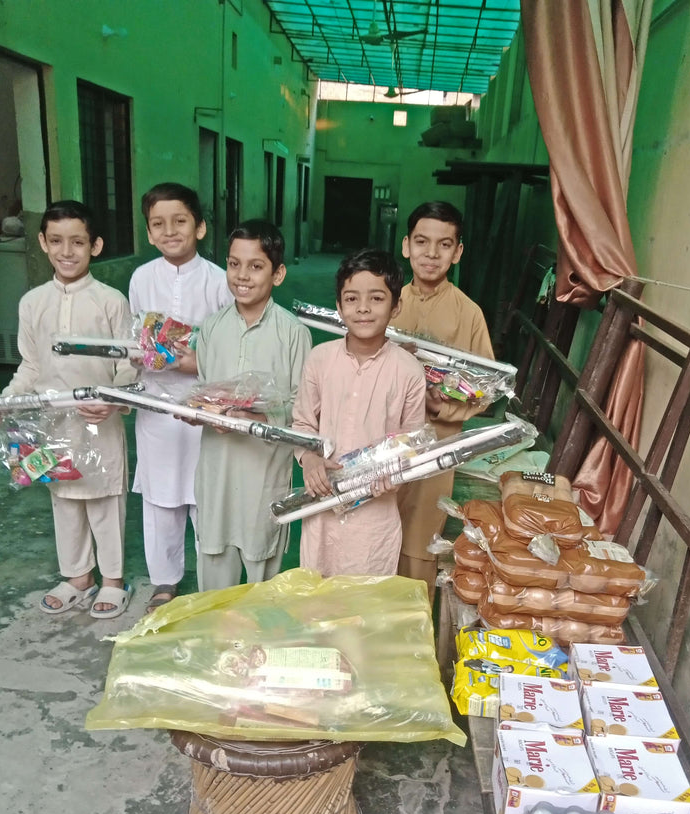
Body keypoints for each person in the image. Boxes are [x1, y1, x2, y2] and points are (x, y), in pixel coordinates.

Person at [0, 200, 135, 618]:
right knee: (63, 498)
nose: (67, 251)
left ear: (95, 246)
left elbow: (126, 364)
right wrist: (7, 404)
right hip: (52, 423)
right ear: (43, 243)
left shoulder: (110, 301)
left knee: (104, 498)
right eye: (57, 241)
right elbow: (31, 364)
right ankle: (77, 576)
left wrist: (114, 400)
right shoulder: (32, 303)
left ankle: (113, 580)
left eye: (78, 242)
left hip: (100, 421)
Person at [129, 182, 232, 614]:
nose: (170, 231)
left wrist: (199, 364)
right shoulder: (140, 279)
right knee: (160, 499)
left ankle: (212, 580)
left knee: (204, 496)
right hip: (156, 404)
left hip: (205, 404)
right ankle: (165, 582)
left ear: (200, 227)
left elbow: (228, 345)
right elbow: (135, 338)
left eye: (180, 221)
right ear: (149, 233)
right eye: (158, 224)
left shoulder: (219, 281)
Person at [293, 249, 426, 578]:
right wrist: (309, 460)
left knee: (364, 612)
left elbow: (413, 443)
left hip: (374, 520)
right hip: (322, 507)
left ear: (396, 306)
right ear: (339, 307)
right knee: (317, 601)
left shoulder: (408, 371)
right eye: (351, 299)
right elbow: (303, 423)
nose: (363, 308)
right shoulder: (320, 359)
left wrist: (397, 473)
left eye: (377, 298)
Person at [194, 219, 311, 591]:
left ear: (277, 274)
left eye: (256, 266)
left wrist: (259, 416)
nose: (242, 275)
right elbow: (202, 389)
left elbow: (302, 409)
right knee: (214, 558)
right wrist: (200, 411)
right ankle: (215, 640)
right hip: (217, 470)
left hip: (264, 473)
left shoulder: (293, 334)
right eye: (233, 263)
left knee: (263, 567)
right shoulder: (211, 329)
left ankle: (260, 643)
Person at [390, 200, 495, 603]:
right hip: (386, 442)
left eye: (444, 244)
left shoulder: (469, 315)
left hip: (438, 443)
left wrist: (443, 408)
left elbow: (486, 388)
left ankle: (412, 641)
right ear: (406, 246)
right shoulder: (387, 303)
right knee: (376, 529)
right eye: (422, 242)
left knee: (420, 541)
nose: (431, 254)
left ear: (458, 251)